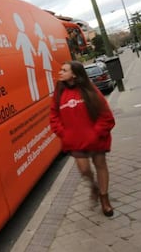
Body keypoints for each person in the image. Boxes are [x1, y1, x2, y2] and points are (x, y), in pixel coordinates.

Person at [50, 60, 115, 217]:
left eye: (64, 70)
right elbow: (54, 116)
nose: (60, 72)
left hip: (96, 140)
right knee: (84, 169)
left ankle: (104, 199)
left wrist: (95, 133)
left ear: (74, 74)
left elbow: (105, 115)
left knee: (100, 165)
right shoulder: (59, 92)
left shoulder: (89, 89)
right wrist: (64, 133)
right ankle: (94, 186)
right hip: (75, 142)